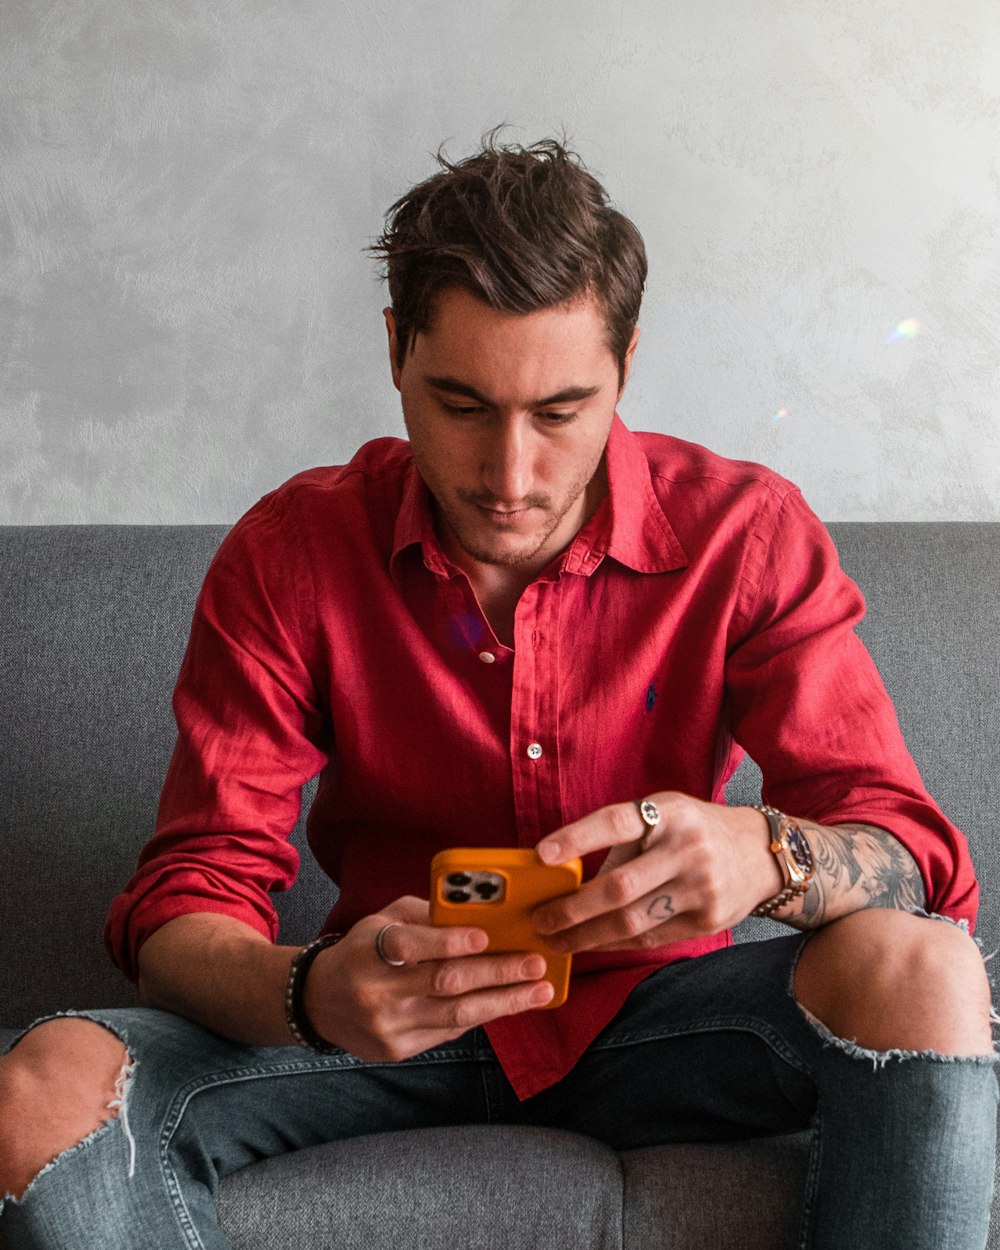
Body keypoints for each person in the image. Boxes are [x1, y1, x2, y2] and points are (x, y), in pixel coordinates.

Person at [0, 134, 995, 1249]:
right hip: (373, 1032)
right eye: (461, 404)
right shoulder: (291, 552)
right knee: (44, 1083)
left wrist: (770, 852)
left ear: (624, 365)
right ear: (393, 351)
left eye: (560, 411)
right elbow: (186, 903)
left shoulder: (745, 532)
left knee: (923, 966)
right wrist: (310, 992)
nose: (509, 476)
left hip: (668, 1022)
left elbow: (915, 856)